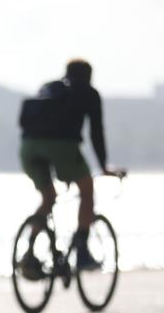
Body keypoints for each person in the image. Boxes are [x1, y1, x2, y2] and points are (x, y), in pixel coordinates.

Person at [18, 59, 125, 277]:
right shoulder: (89, 93)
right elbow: (96, 132)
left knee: (48, 198)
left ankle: (28, 254)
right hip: (63, 147)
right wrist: (103, 166)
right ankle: (83, 253)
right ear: (89, 76)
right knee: (87, 192)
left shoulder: (49, 88)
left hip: (28, 147)